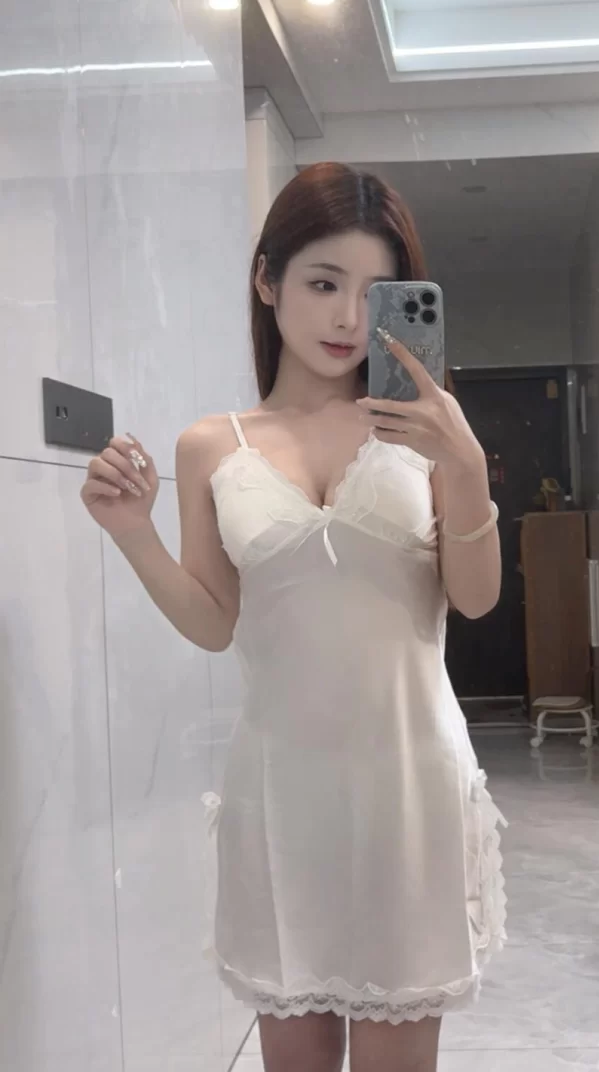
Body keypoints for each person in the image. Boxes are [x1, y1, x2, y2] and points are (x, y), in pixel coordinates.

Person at [80, 162, 507, 1072]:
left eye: (372, 291)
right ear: (268, 280)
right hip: (282, 795)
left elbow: (475, 597)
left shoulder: (424, 430)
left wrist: (465, 465)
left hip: (407, 786)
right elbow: (214, 621)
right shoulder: (211, 446)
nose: (348, 318)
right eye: (322, 283)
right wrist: (133, 533)